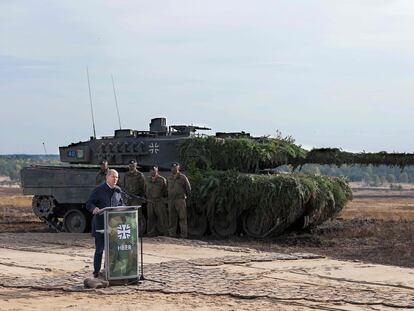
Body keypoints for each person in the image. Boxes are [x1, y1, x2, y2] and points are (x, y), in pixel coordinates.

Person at [86, 169, 123, 278]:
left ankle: (108, 270)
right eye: (113, 177)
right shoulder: (99, 190)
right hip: (100, 225)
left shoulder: (118, 191)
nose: (115, 179)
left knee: (112, 250)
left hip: (113, 226)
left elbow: (121, 204)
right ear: (107, 177)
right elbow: (89, 203)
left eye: (117, 177)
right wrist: (95, 208)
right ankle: (96, 271)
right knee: (100, 250)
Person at [167, 163, 191, 238]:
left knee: (182, 217)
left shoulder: (183, 177)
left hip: (180, 200)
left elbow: (188, 189)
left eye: (175, 168)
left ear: (178, 168)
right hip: (171, 200)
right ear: (171, 169)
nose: (174, 169)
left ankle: (183, 235)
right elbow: (166, 188)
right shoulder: (169, 177)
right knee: (172, 218)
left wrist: (187, 197)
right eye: (173, 168)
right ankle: (172, 234)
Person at [145, 166, 168, 236]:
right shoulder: (147, 179)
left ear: (157, 171)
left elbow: (165, 191)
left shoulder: (162, 179)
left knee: (162, 217)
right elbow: (144, 188)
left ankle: (164, 232)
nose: (152, 172)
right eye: (151, 170)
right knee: (150, 217)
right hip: (150, 200)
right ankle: (150, 232)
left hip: (159, 200)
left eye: (154, 170)